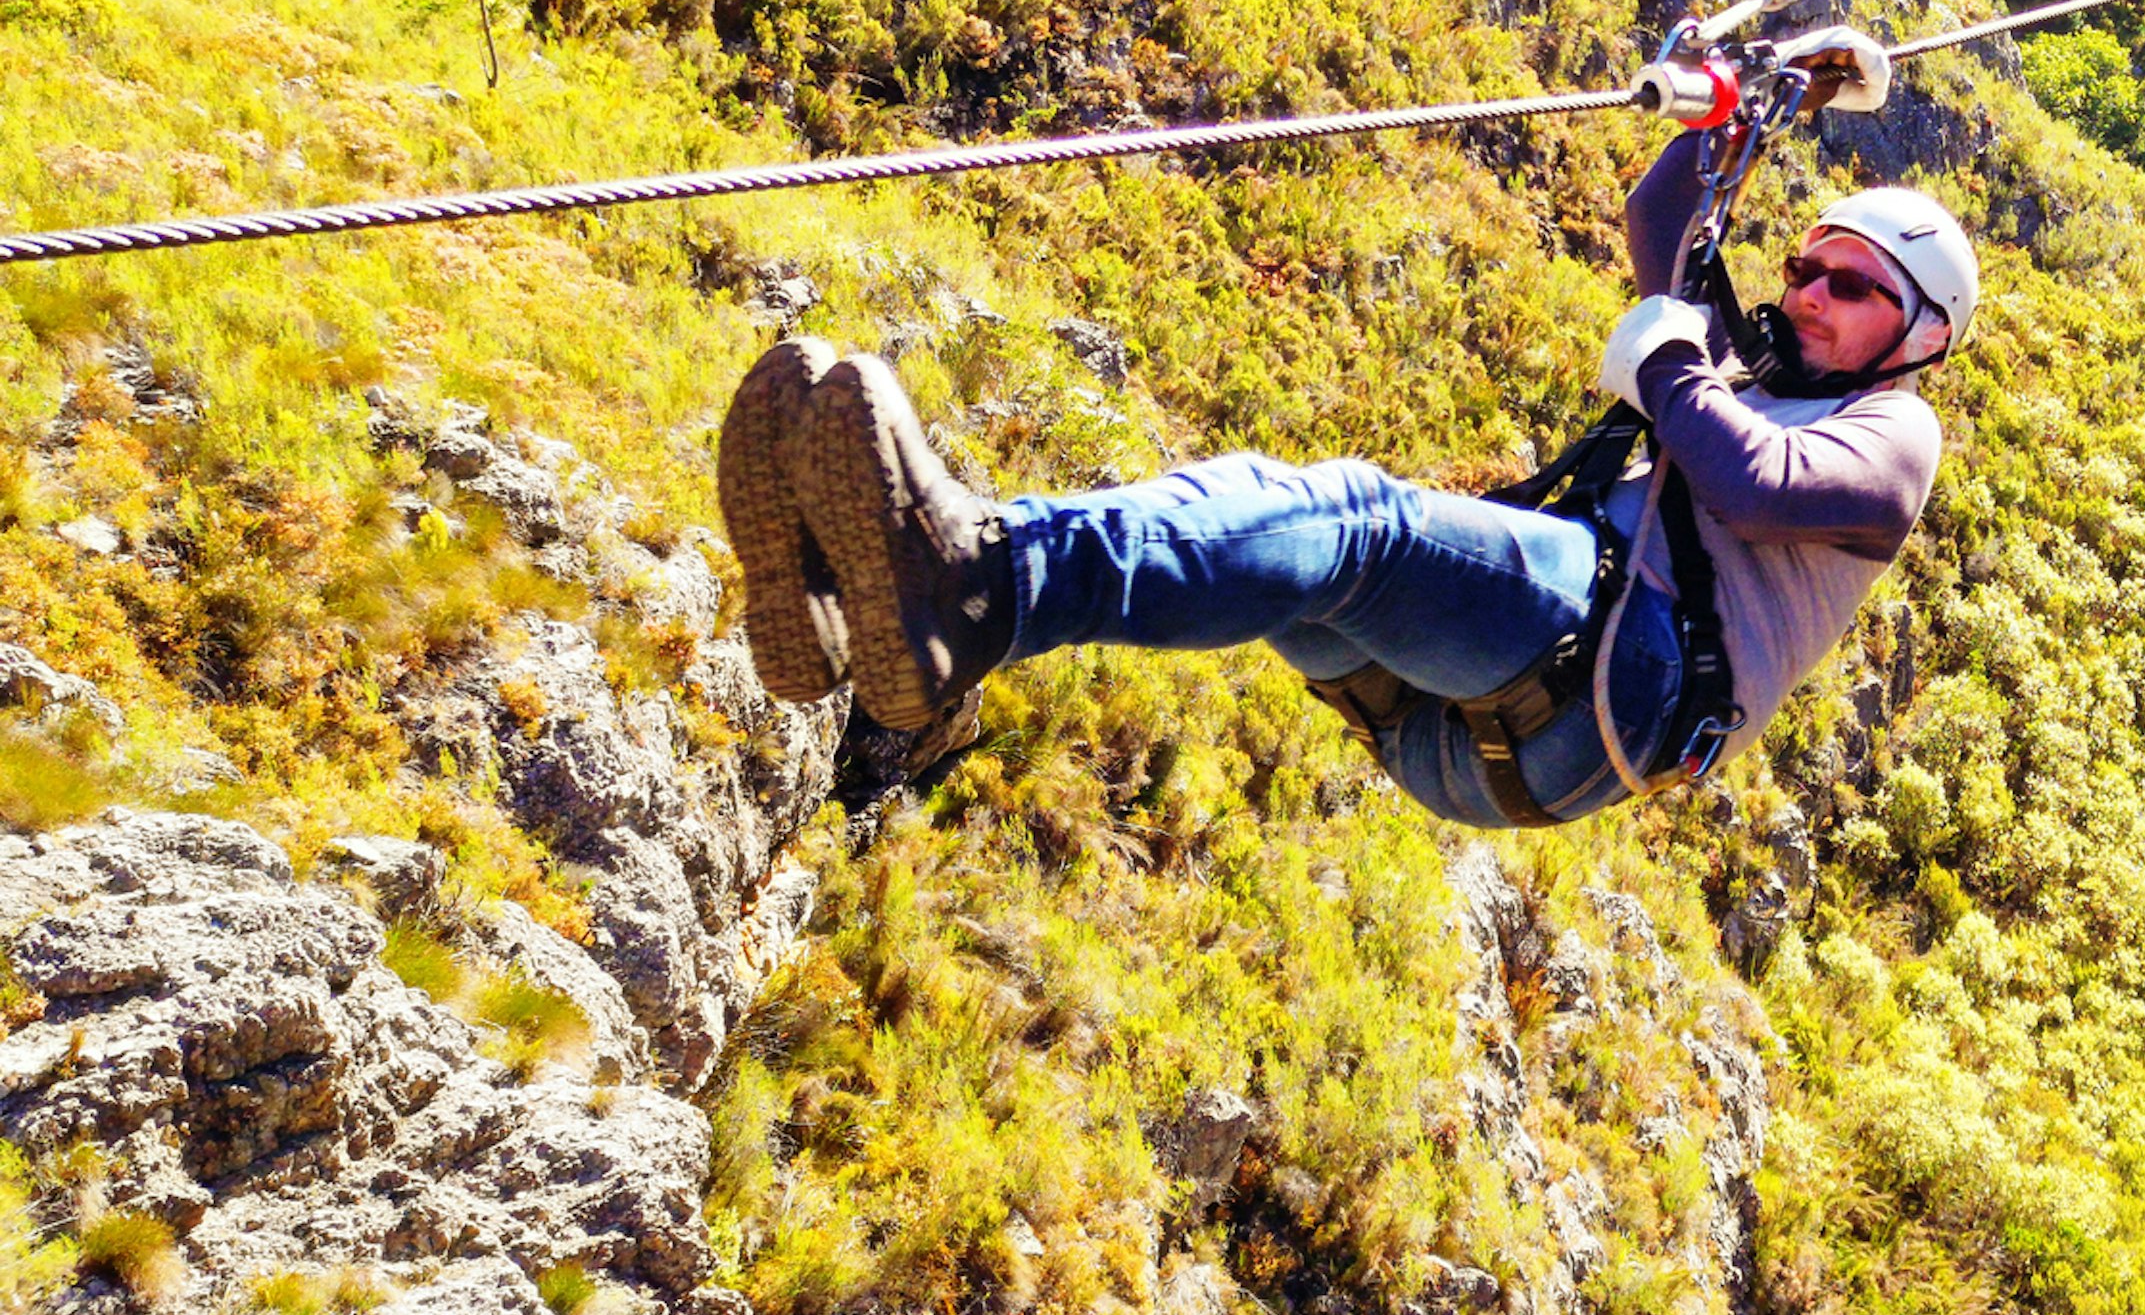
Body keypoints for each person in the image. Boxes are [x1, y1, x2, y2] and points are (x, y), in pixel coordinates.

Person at [713, 132, 1974, 827]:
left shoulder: (1892, 437)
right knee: (1299, 548)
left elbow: (1748, 482)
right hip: (1488, 728)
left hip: (1606, 687)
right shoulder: (1752, 366)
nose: (1806, 291)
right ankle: (853, 605)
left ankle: (982, 586)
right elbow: (1666, 231)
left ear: (1917, 336)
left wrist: (1671, 371)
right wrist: (1741, 110)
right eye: (1808, 264)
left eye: (1850, 287)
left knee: (1352, 521)